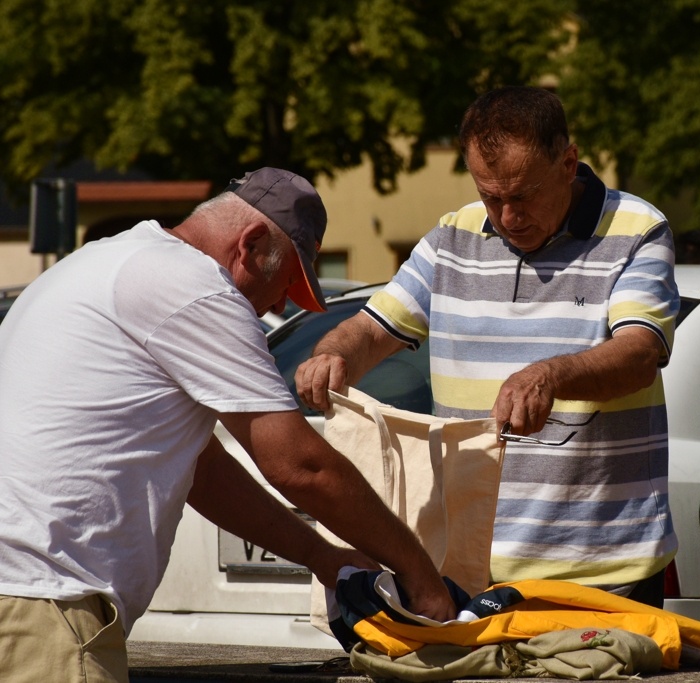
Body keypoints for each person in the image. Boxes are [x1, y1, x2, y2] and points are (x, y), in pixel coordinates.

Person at [0, 168, 455, 683]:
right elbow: (300, 465)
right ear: (251, 243)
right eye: (288, 281)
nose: (280, 305)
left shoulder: (106, 260)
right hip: (44, 600)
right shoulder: (194, 287)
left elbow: (203, 470)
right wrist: (420, 576)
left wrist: (320, 555)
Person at [296, 87, 680, 607]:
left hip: (602, 572)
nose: (508, 216)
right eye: (490, 197)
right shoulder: (451, 237)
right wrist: (334, 355)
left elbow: (638, 355)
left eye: (523, 195)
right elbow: (370, 329)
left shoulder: (637, 229)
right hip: (465, 570)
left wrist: (549, 376)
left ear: (568, 163)